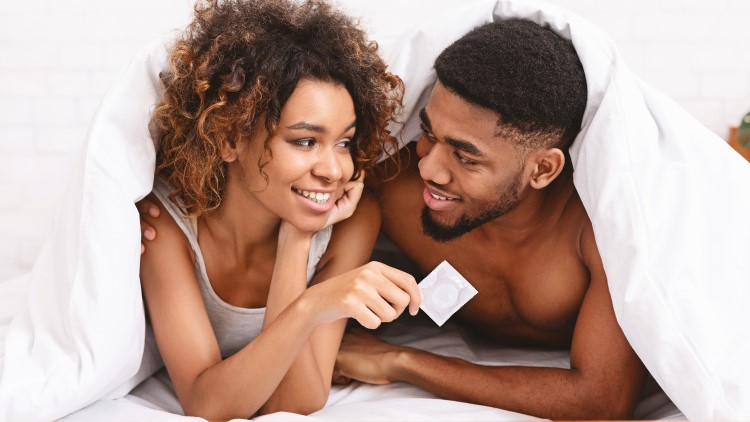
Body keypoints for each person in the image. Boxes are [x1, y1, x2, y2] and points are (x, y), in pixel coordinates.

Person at [331, 19, 648, 420]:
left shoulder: (597, 228)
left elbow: (602, 400)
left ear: (543, 170)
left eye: (465, 157)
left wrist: (399, 361)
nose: (429, 168)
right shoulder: (392, 186)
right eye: (428, 133)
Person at [137, 0, 420, 419]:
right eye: (305, 141)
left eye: (343, 142)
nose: (335, 170)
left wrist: (297, 239)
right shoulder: (167, 225)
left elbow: (298, 401)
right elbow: (205, 403)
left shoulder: (352, 220)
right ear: (229, 139)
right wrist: (309, 307)